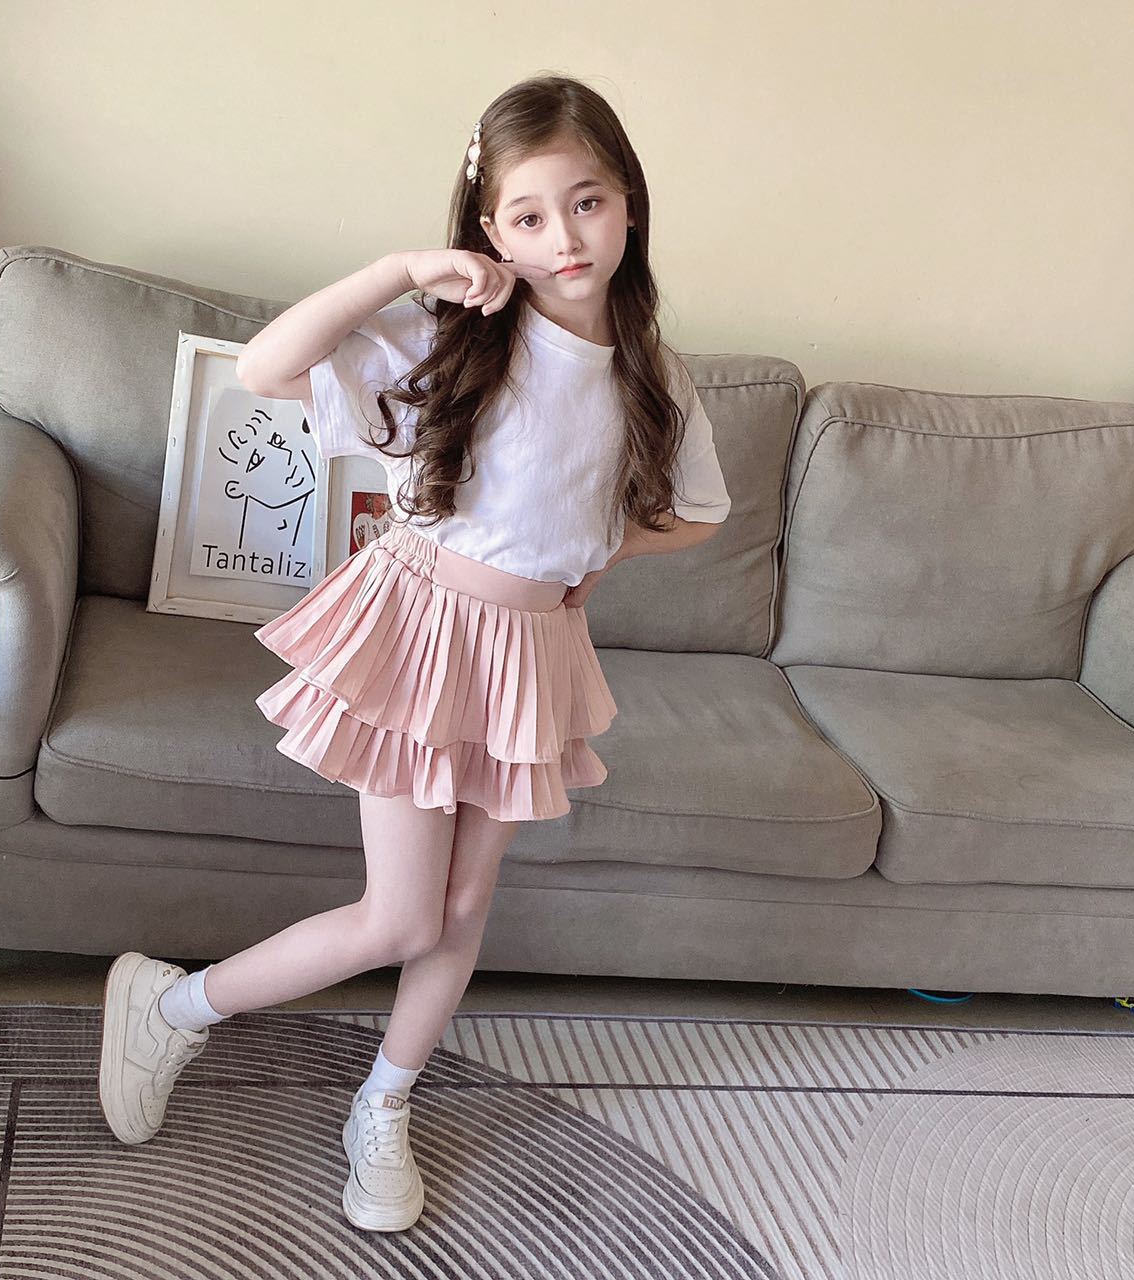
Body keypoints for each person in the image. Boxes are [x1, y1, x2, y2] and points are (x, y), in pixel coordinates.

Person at [97, 73, 731, 1234]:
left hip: (533, 647)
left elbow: (697, 511)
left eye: (587, 202)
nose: (564, 236)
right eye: (529, 214)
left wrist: (601, 551)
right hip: (419, 627)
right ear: (491, 230)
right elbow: (267, 369)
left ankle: (383, 1100)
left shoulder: (653, 369)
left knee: (464, 901)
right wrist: (398, 270)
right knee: (401, 916)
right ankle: (173, 1006)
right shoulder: (452, 334)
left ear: (629, 204)